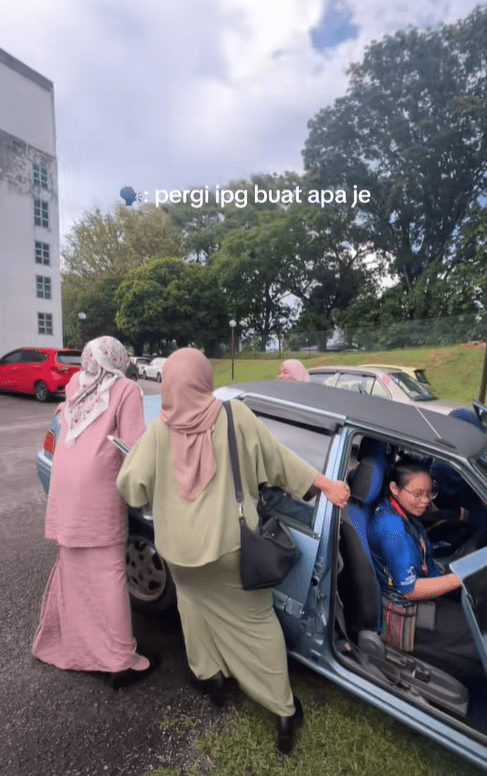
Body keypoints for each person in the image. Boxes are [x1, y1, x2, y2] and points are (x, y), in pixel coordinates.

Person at [117, 348, 350, 755]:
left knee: (194, 609)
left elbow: (131, 486)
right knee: (257, 625)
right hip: (230, 551)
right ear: (205, 380)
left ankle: (212, 680)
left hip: (180, 557)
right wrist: (325, 484)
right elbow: (280, 462)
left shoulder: (160, 430)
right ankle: (284, 711)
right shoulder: (234, 417)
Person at [33, 336, 156, 688]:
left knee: (74, 569)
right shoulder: (127, 389)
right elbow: (134, 446)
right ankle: (120, 660)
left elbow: (69, 418)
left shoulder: (76, 383)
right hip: (98, 489)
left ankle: (77, 646)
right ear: (118, 359)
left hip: (65, 483)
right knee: (109, 574)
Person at [367, 457, 486, 683]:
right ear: (394, 488)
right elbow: (410, 590)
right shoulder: (392, 528)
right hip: (409, 612)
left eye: (429, 493)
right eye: (418, 494)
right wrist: (458, 578)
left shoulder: (399, 512)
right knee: (477, 631)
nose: (425, 501)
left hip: (426, 585)